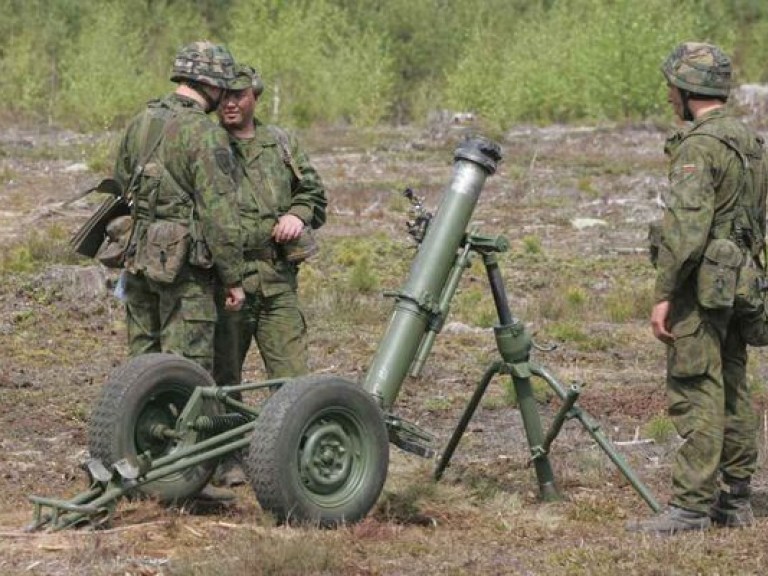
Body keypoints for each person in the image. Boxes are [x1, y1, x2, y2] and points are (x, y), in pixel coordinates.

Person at [629, 42, 767, 535]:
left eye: (672, 85)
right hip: (740, 283)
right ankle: (737, 498)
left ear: (688, 90)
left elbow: (687, 232)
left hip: (702, 287)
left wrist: (664, 294)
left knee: (695, 387)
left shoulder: (699, 146)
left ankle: (690, 507)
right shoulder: (748, 141)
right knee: (734, 385)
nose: (668, 94)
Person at [211, 64, 328, 486]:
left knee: (292, 377)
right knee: (223, 377)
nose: (230, 102)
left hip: (278, 279)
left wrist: (297, 215)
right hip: (228, 280)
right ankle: (225, 460)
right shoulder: (207, 143)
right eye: (223, 94)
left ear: (254, 97)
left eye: (238, 94)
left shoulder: (281, 143)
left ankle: (294, 459)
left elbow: (313, 192)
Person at [114, 41, 246, 373]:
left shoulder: (141, 121)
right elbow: (220, 214)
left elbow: (121, 183)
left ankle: (141, 424)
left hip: (138, 258)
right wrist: (233, 279)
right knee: (185, 369)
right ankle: (184, 427)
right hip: (185, 271)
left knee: (141, 367)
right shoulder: (205, 133)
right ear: (211, 84)